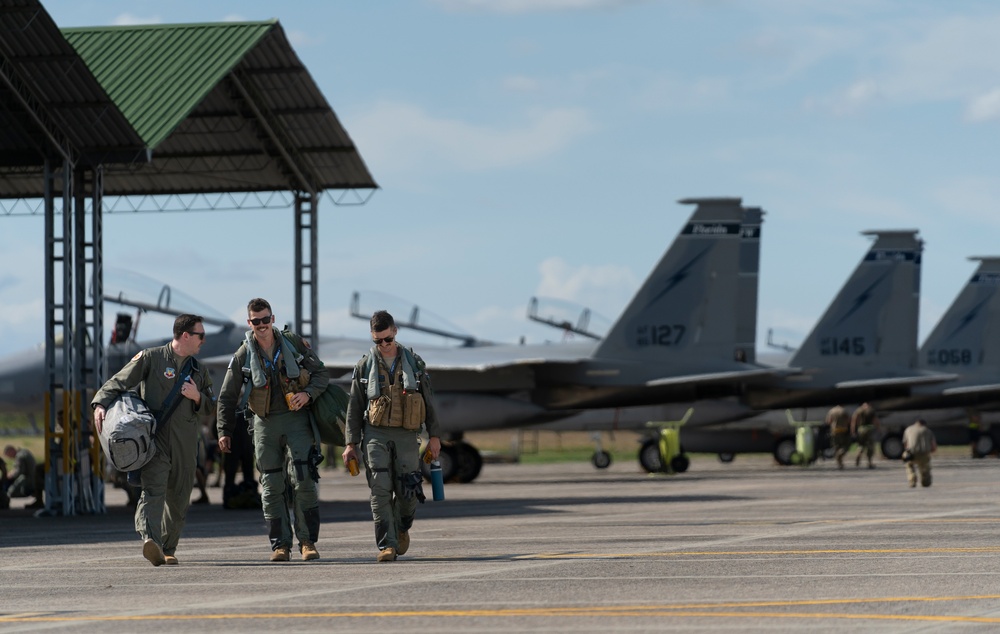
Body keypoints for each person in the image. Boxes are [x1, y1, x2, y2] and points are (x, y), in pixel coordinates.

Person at [92, 314, 214, 566]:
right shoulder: (151, 358)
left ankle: (168, 548)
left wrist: (197, 397)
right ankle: (151, 541)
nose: (204, 340)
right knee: (153, 492)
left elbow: (211, 407)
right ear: (185, 336)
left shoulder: (199, 371)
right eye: (200, 335)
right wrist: (100, 403)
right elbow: (120, 380)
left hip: (185, 445)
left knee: (179, 499)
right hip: (154, 441)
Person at [216, 298, 330, 562]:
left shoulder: (293, 344)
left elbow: (321, 374)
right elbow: (227, 396)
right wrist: (224, 430)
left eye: (266, 319)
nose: (262, 325)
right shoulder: (243, 355)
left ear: (273, 319)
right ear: (250, 323)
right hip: (264, 424)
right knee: (270, 486)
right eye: (256, 321)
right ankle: (280, 545)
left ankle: (307, 542)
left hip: (296, 420)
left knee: (304, 481)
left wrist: (308, 395)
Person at [342, 310, 442, 562]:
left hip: (407, 434)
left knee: (408, 490)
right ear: (372, 338)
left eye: (387, 339)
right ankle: (386, 545)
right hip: (375, 433)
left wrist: (435, 436)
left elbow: (429, 402)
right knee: (380, 490)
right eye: (378, 341)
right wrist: (350, 443)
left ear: (395, 332)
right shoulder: (364, 366)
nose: (384, 345)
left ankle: (402, 527)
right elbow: (354, 407)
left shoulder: (415, 364)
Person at [902, 418, 937, 487]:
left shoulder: (908, 429)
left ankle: (912, 479)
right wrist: (931, 452)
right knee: (925, 468)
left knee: (909, 466)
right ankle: (925, 481)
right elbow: (933, 446)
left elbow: (905, 444)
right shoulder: (927, 431)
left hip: (911, 454)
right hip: (923, 454)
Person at [851, 402, 880, 469]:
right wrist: (878, 429)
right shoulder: (871, 410)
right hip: (870, 429)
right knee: (870, 446)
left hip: (861, 429)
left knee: (861, 445)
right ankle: (869, 463)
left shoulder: (858, 410)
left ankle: (859, 454)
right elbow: (875, 420)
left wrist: (853, 431)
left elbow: (854, 420)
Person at [825, 405, 851, 470]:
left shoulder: (831, 411)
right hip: (843, 430)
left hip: (835, 431)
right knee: (845, 446)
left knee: (836, 446)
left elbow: (828, 421)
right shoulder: (844, 411)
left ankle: (840, 464)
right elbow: (848, 421)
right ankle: (840, 455)